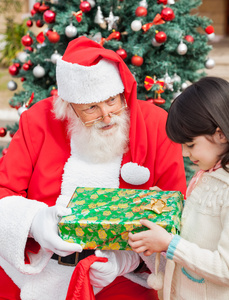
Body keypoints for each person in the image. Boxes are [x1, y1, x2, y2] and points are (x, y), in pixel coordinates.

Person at [0, 36, 186, 300]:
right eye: (91, 108)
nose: (107, 116)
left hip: (121, 277)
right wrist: (34, 222)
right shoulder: (38, 122)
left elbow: (173, 211)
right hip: (38, 268)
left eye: (112, 100)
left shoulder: (156, 124)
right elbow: (3, 190)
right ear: (68, 108)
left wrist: (125, 261)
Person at [128, 76, 229, 300]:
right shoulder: (208, 172)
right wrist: (168, 206)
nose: (184, 153)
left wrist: (169, 244)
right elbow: (201, 224)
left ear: (220, 134)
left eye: (190, 144)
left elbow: (225, 269)